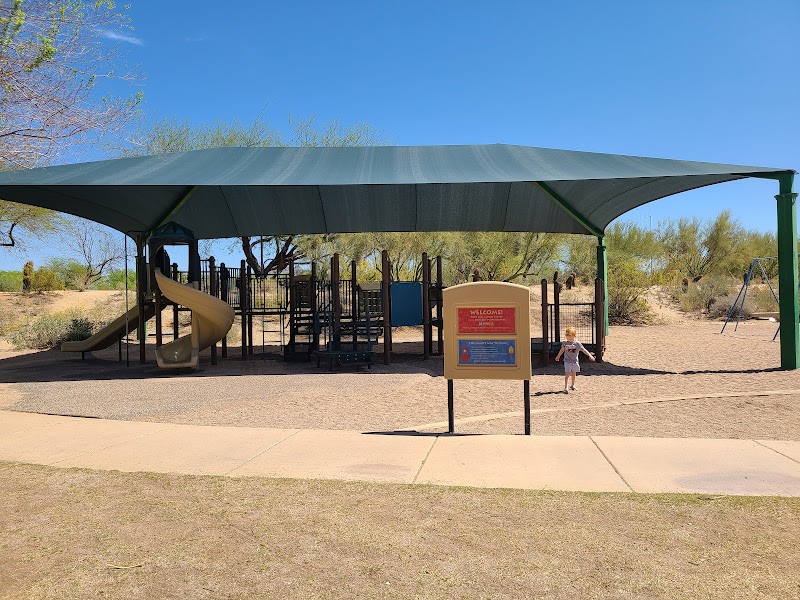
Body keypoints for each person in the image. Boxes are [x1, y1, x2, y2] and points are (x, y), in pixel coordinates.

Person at [554, 326, 595, 392]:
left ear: (574, 336)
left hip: (574, 361)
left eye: (570, 336)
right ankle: (566, 387)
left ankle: (572, 385)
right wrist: (558, 356)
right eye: (567, 336)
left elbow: (583, 350)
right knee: (567, 373)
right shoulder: (565, 343)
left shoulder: (577, 343)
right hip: (567, 360)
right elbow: (562, 350)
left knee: (573, 373)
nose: (568, 338)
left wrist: (590, 355)